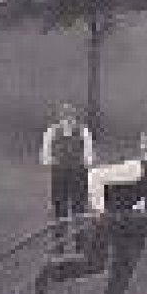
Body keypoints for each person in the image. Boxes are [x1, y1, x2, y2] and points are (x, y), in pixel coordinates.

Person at [34, 132, 147, 294]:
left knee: (125, 263)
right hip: (108, 220)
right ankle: (52, 271)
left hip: (130, 226)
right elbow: (96, 175)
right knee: (94, 264)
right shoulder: (136, 169)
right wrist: (100, 210)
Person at [39, 103, 94, 246]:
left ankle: (80, 242)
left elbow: (89, 155)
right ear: (60, 118)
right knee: (59, 207)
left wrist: (82, 164)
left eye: (71, 117)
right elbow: (45, 156)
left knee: (78, 207)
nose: (68, 120)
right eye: (64, 117)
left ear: (75, 118)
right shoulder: (52, 132)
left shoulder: (83, 132)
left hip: (78, 173)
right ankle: (59, 242)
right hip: (59, 173)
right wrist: (55, 162)